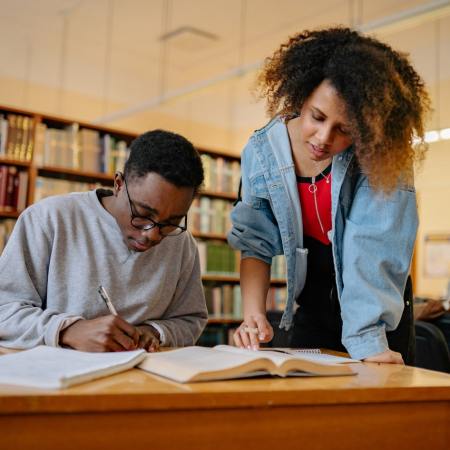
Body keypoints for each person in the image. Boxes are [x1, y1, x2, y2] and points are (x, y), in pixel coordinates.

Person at [228, 27, 430, 364]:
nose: (323, 138)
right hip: (314, 302)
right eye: (317, 117)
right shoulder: (262, 153)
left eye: (345, 129)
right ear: (301, 97)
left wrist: (367, 341)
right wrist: (253, 316)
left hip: (378, 311)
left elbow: (373, 247)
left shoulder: (381, 155)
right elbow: (254, 241)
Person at [0, 130, 208, 352]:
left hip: (142, 381)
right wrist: (68, 331)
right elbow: (4, 311)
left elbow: (191, 319)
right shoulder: (48, 219)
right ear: (118, 184)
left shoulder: (182, 243)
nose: (152, 234)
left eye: (171, 222)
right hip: (57, 380)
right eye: (142, 213)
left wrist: (154, 332)